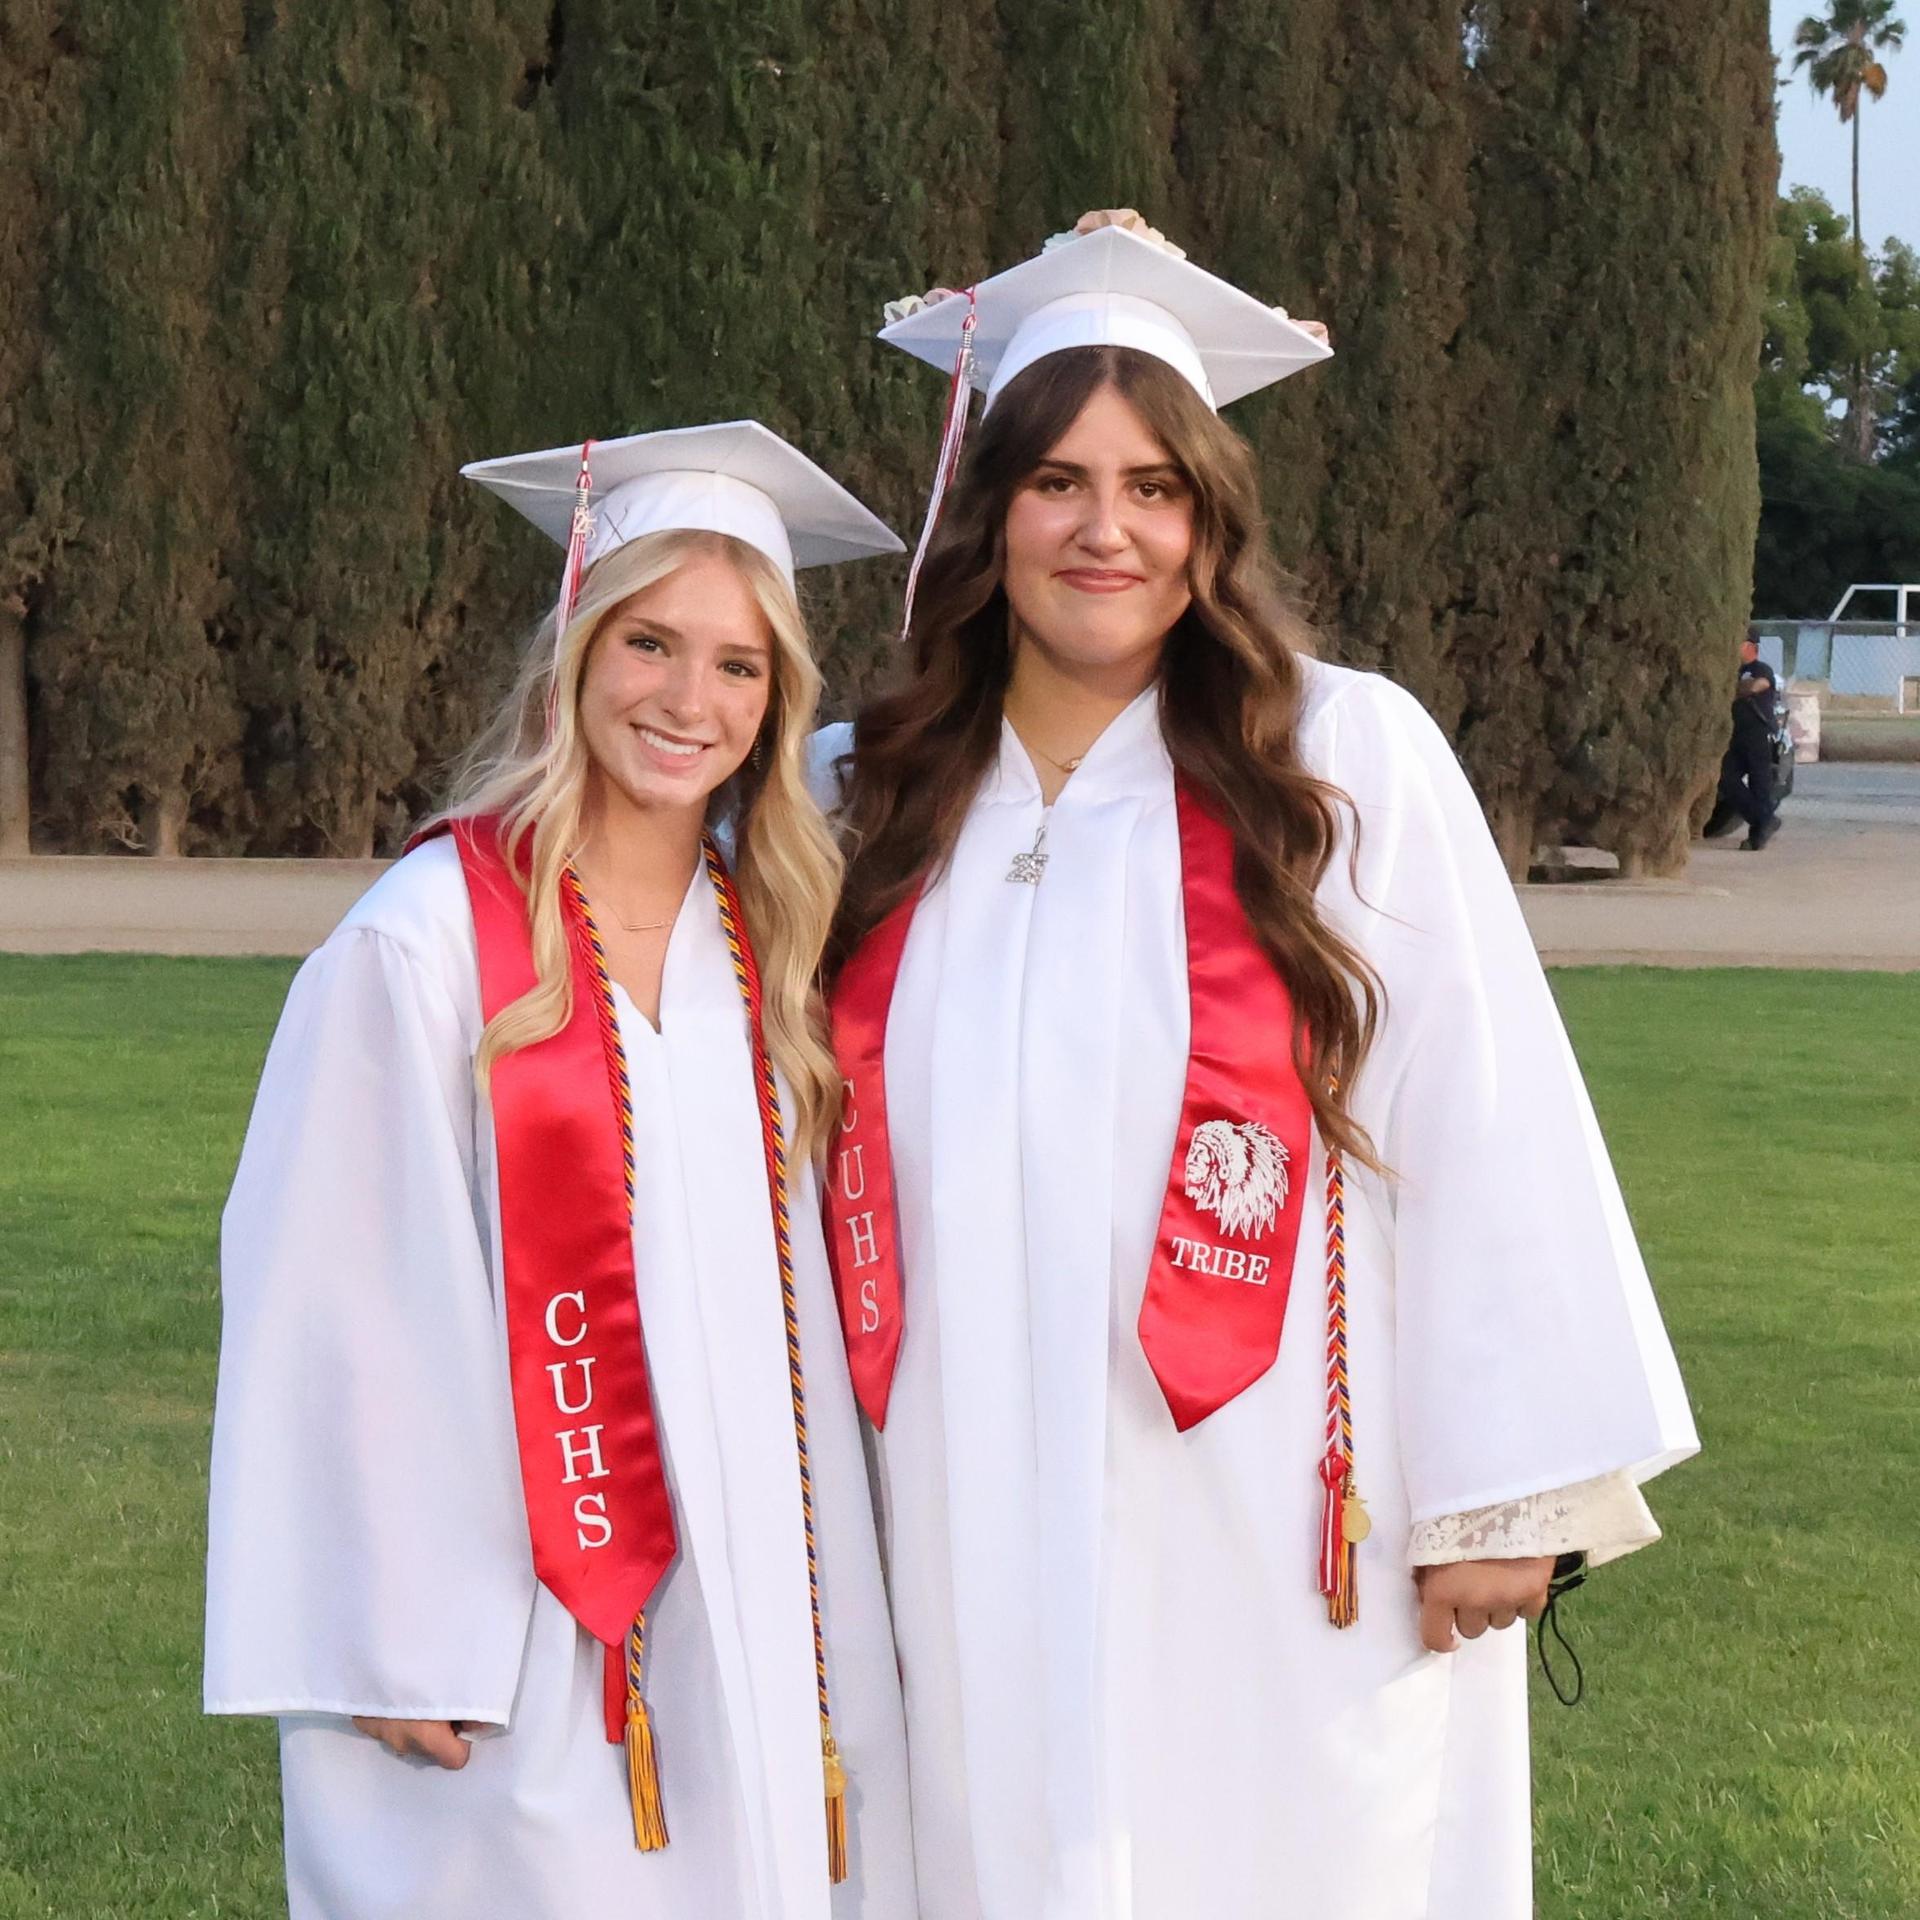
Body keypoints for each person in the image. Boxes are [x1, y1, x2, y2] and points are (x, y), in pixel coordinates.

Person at [815, 215, 1698, 1920]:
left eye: (1154, 485)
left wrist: (1502, 1489)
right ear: (987, 507)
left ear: (1211, 518)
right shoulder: (870, 788)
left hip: (1276, 1493)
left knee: (1292, 1845)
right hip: (953, 1476)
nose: (1104, 528)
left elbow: (1480, 1106)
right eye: (1057, 479)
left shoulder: (1341, 754)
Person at [205, 423, 917, 1919]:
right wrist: (389, 1636)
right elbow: (334, 1295)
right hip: (519, 1606)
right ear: (578, 652)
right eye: (652, 642)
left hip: (770, 1584)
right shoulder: (427, 943)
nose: (689, 698)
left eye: (740, 666)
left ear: (779, 701)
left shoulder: (771, 948)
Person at [1703, 629, 1781, 849]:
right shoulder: (1731, 671)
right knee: (1724, 778)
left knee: (1760, 785)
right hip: (1735, 736)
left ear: (1750, 646)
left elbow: (1759, 685)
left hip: (1757, 734)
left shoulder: (1760, 669)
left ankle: (1757, 836)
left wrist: (1735, 689)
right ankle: (1763, 819)